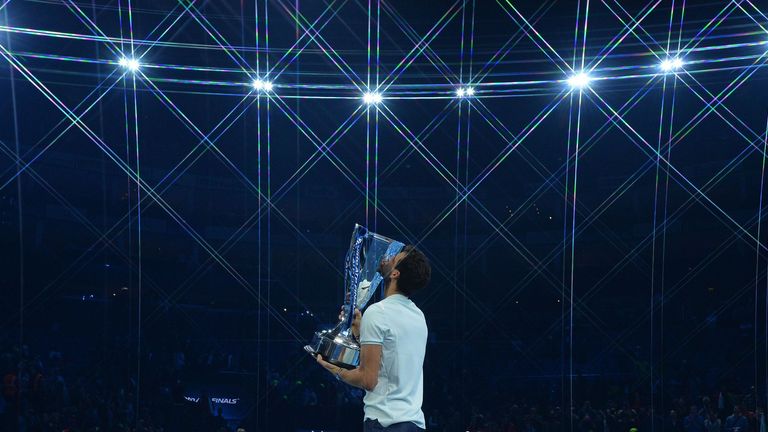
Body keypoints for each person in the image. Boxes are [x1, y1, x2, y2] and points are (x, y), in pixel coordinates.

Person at [316, 245, 431, 431]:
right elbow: (389, 358)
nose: (387, 257)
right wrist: (361, 333)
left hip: (385, 424)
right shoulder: (418, 315)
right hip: (414, 423)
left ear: (395, 274)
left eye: (394, 258)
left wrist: (335, 370)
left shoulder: (378, 312)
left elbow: (368, 380)